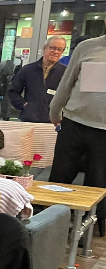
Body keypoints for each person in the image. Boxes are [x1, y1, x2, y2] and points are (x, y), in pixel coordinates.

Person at [49, 34, 106, 219]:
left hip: (104, 133)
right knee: (59, 178)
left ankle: (86, 229)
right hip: (74, 123)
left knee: (96, 183)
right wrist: (55, 112)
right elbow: (67, 82)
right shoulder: (87, 47)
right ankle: (49, 223)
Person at [8, 36, 67, 123]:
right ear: (44, 48)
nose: (56, 52)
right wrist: (24, 105)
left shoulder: (65, 72)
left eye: (60, 49)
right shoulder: (28, 69)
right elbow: (12, 91)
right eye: (52, 48)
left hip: (54, 123)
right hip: (28, 120)